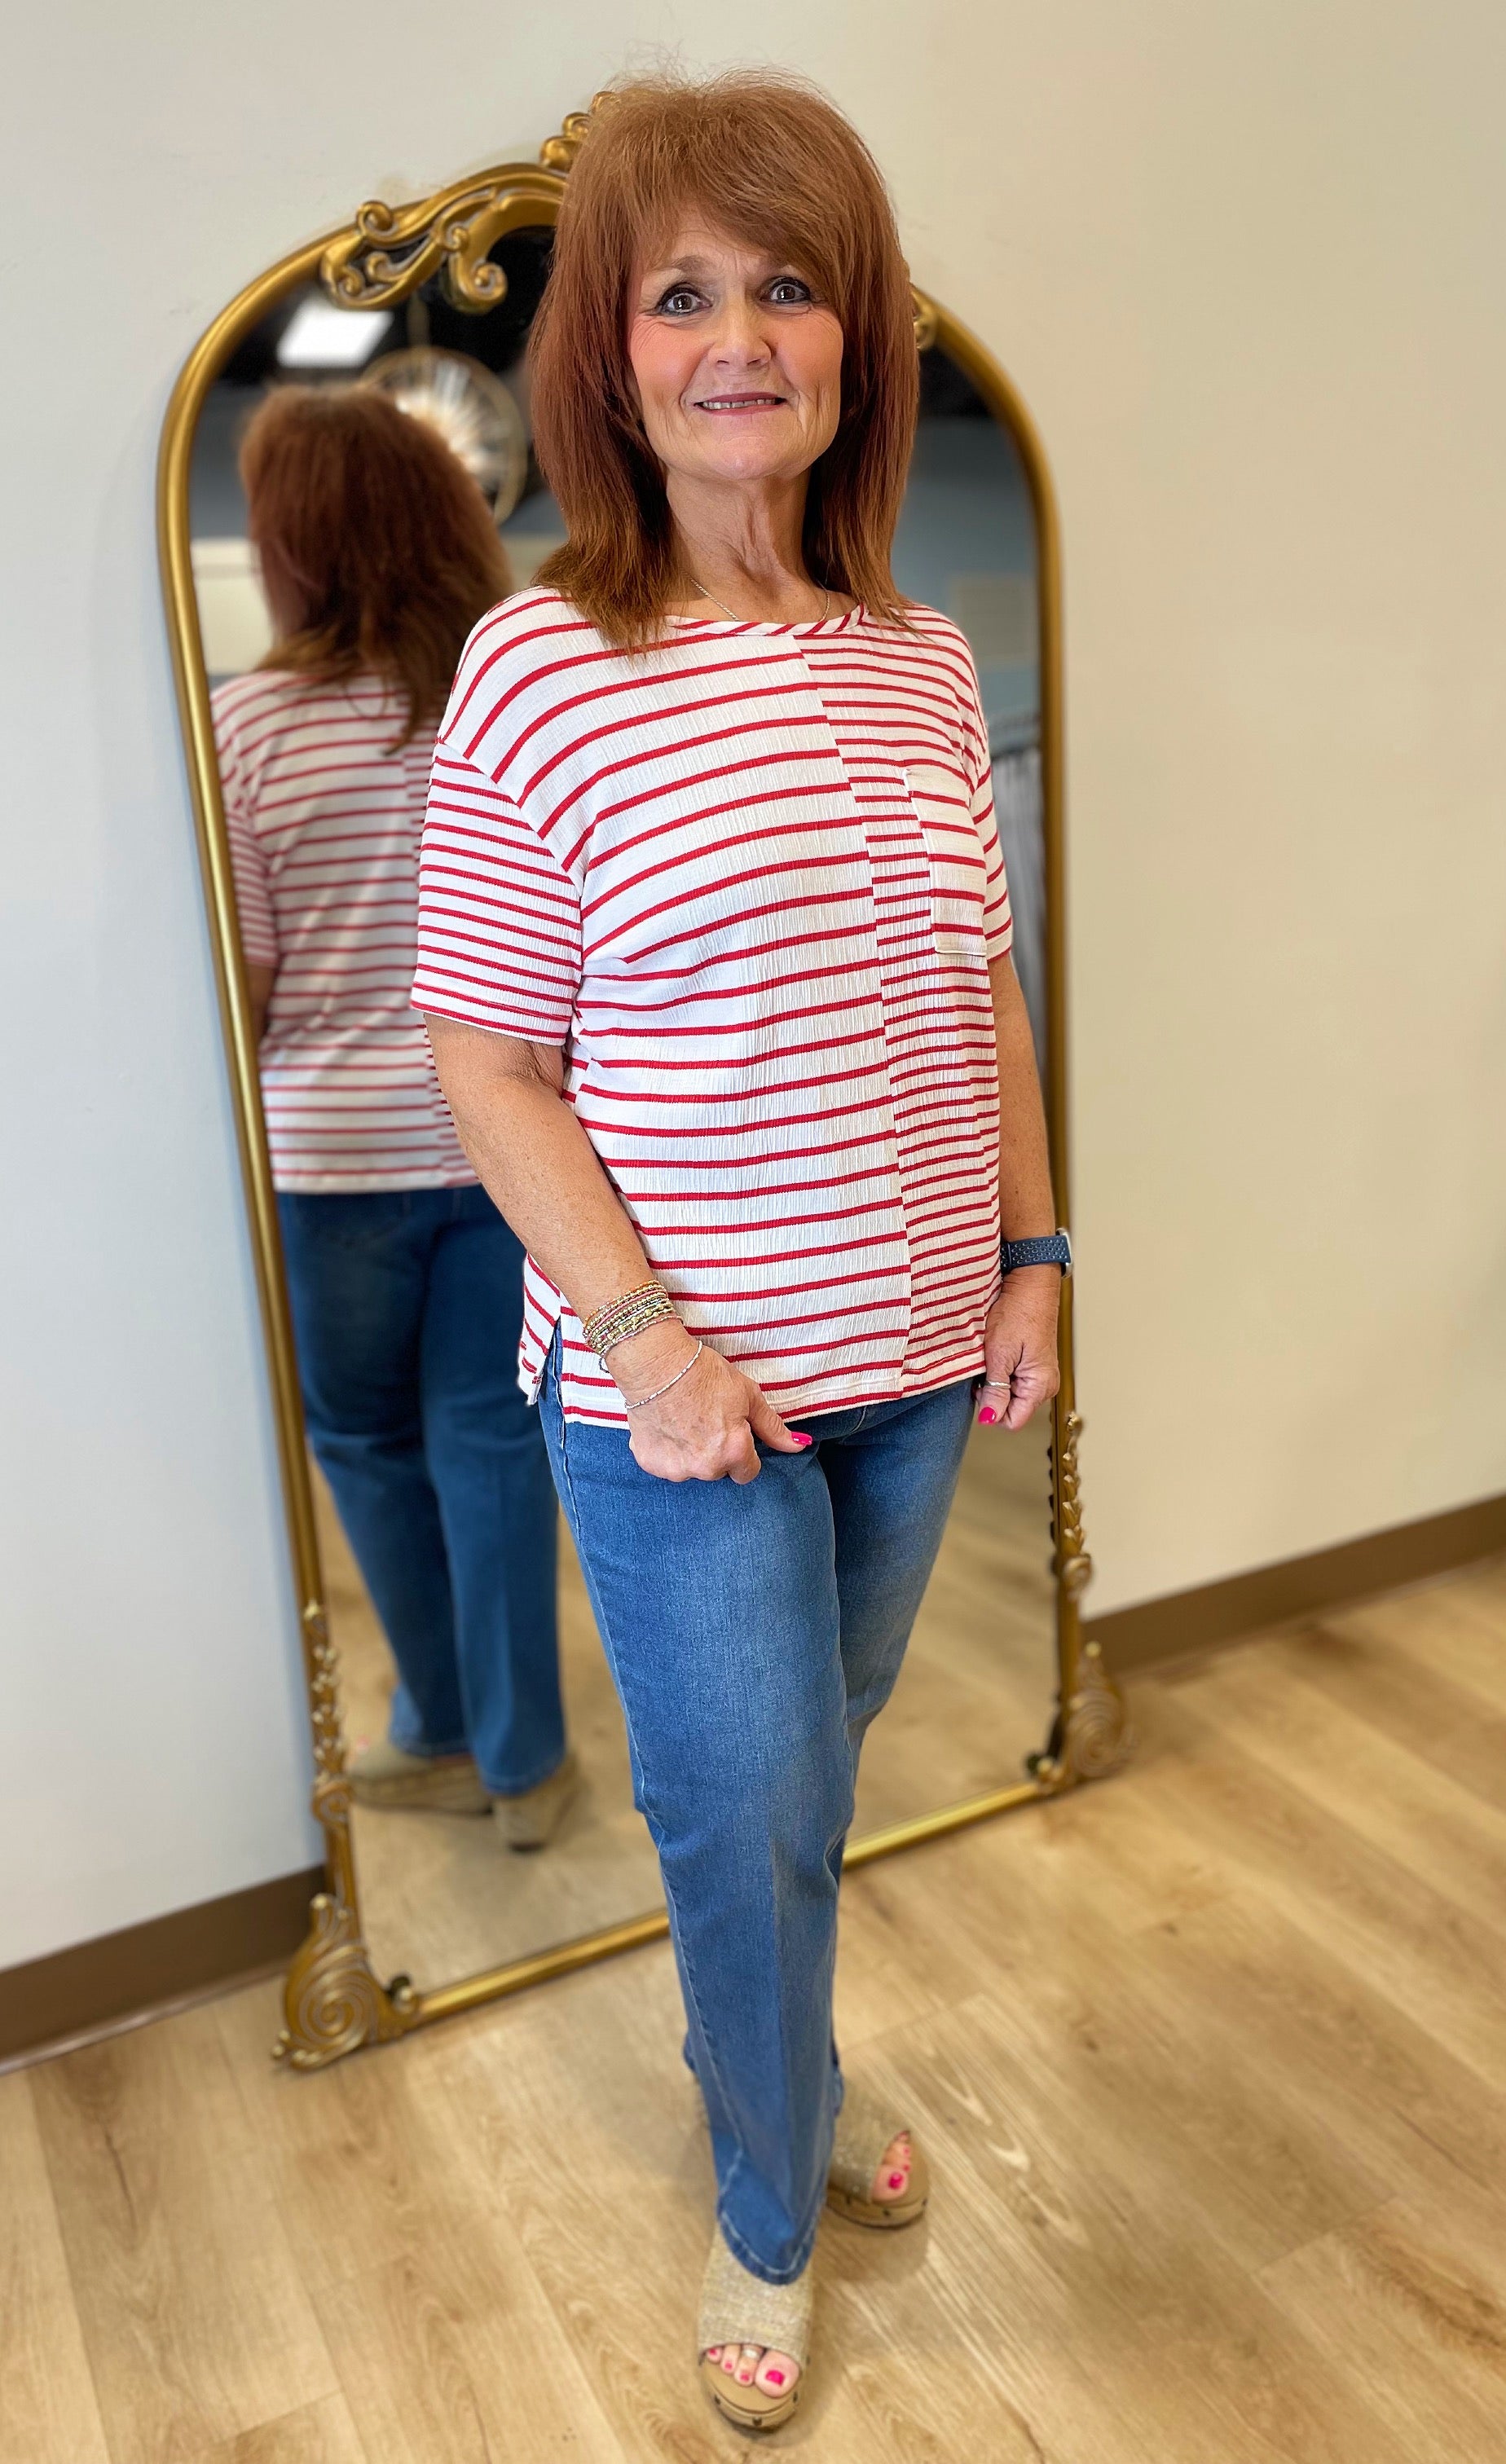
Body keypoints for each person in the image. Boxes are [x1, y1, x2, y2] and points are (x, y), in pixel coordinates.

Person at [412, 74, 1065, 2427]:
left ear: (852, 332)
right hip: (687, 1400)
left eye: (786, 285)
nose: (739, 338)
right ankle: (767, 2203)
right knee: (746, 1815)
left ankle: (780, 2064)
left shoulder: (919, 656)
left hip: (919, 1364)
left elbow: (981, 984)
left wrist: (1037, 1251)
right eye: (679, 295)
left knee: (804, 1793)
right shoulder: (541, 665)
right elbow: (488, 1059)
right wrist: (651, 1338)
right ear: (610, 354)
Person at [215, 385, 576, 1851]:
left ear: (297, 540)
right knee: (493, 1443)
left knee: (365, 1443)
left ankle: (437, 1730)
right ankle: (526, 1764)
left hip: (332, 1162)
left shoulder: (247, 727)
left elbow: (246, 987)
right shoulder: (509, 702)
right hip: (512, 1148)